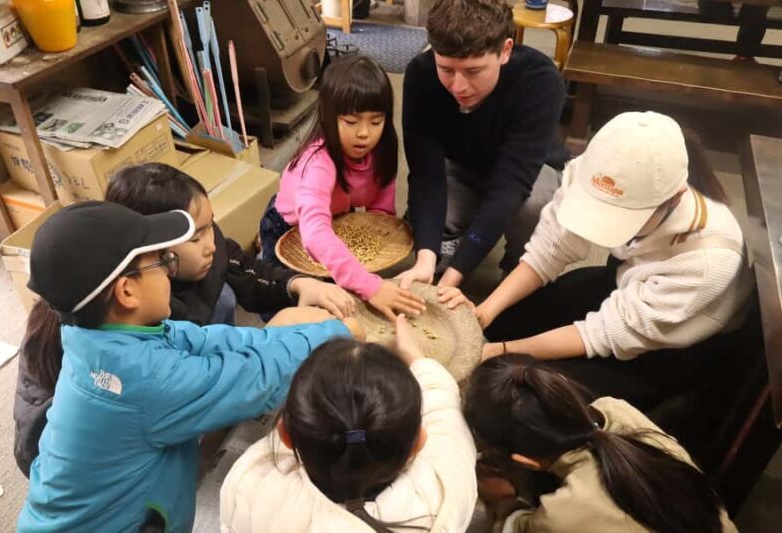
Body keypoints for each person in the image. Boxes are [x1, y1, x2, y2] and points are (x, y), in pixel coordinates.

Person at [17, 201, 363, 532]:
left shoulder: (104, 338)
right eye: (162, 261)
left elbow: (214, 341)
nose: (170, 271)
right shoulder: (142, 380)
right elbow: (253, 380)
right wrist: (338, 333)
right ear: (126, 292)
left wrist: (313, 334)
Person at [452, 111, 753, 411]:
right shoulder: (597, 171)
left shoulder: (709, 259)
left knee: (526, 394)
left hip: (672, 345)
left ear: (674, 199)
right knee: (505, 322)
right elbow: (549, 250)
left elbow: (602, 334)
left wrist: (503, 352)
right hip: (626, 279)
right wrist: (483, 313)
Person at [220, 315, 478, 532]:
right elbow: (447, 422)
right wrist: (415, 356)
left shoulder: (251, 485)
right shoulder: (441, 500)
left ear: (285, 435)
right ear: (417, 445)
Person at [397, 0, 568, 290]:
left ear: (505, 51)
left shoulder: (540, 81)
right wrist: (425, 259)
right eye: (446, 69)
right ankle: (455, 246)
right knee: (424, 223)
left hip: (530, 171)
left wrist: (455, 277)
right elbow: (426, 176)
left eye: (474, 71)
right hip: (463, 166)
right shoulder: (421, 74)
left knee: (535, 211)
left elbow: (509, 187)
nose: (458, 87)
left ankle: (517, 275)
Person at [464, 355, 738, 533]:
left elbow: (518, 527)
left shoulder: (565, 513)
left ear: (526, 462)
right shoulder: (615, 410)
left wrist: (505, 501)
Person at [259, 54, 426, 322]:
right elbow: (315, 234)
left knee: (333, 288)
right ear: (328, 116)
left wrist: (371, 254)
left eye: (376, 121)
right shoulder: (317, 162)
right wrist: (371, 287)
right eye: (351, 121)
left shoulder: (383, 150)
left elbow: (380, 212)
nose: (364, 133)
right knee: (285, 298)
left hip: (336, 219)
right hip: (288, 226)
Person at [105, 163, 356, 325]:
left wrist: (298, 283)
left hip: (214, 344)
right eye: (195, 238)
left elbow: (245, 269)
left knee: (223, 294)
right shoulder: (148, 313)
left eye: (210, 227)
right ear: (152, 251)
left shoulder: (210, 249)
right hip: (196, 378)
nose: (210, 245)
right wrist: (272, 337)